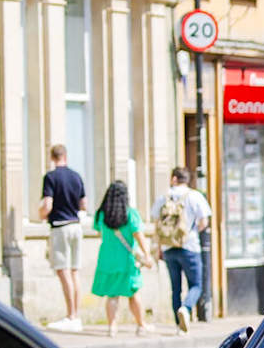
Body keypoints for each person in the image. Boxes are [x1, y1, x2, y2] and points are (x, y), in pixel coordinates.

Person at [89, 180, 151, 337]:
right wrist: (147, 255)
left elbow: (99, 232)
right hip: (127, 260)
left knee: (112, 295)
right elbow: (138, 235)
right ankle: (141, 325)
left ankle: (112, 327)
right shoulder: (130, 214)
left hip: (107, 259)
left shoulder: (101, 215)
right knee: (133, 293)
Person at [153, 168, 212, 333]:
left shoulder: (163, 196)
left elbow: (157, 223)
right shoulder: (194, 196)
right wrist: (191, 231)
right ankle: (186, 309)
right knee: (196, 285)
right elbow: (204, 222)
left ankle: (179, 325)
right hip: (190, 246)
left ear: (174, 179)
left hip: (168, 248)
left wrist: (159, 248)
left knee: (175, 288)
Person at [36, 143, 86, 331]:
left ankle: (71, 315)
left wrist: (40, 214)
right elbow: (84, 204)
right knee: (74, 272)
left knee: (63, 271)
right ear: (66, 156)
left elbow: (47, 205)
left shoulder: (51, 177)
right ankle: (76, 316)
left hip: (60, 226)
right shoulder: (76, 176)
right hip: (76, 225)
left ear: (52, 158)